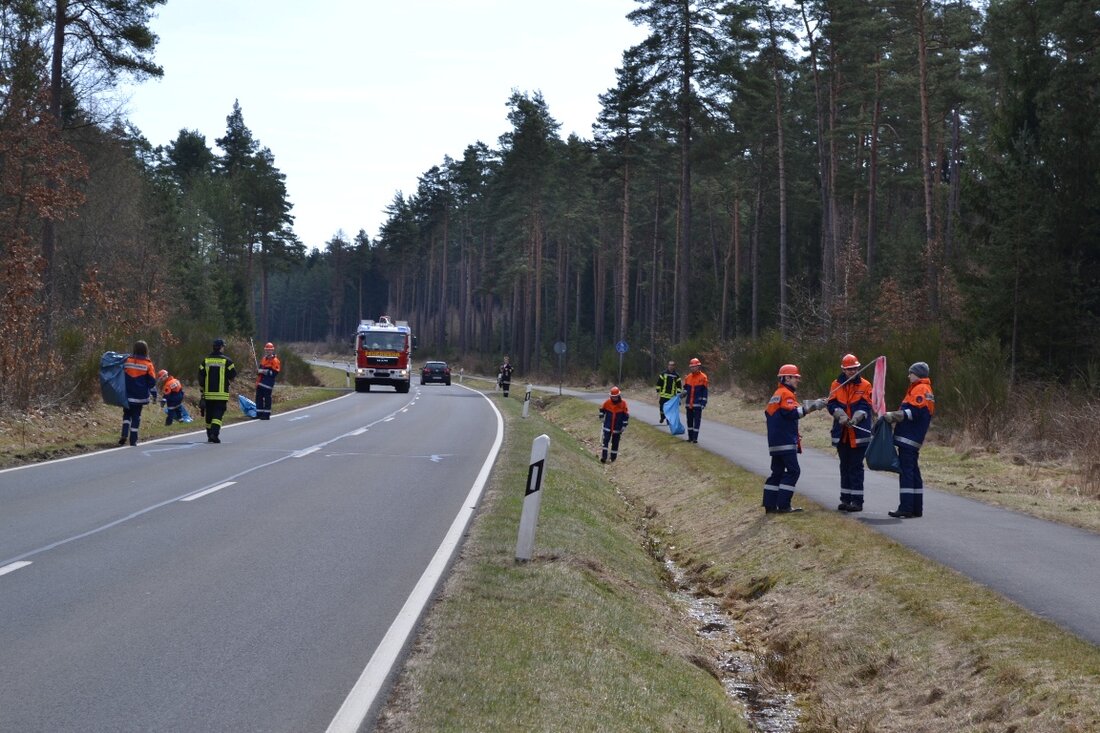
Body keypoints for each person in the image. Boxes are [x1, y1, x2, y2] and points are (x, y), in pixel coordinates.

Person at [763, 364, 827, 513]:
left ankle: (770, 505)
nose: (798, 380)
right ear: (786, 378)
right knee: (793, 471)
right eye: (795, 378)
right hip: (785, 441)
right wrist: (813, 407)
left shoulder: (777, 394)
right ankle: (784, 505)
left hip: (775, 442)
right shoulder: (786, 394)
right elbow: (791, 413)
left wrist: (815, 403)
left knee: (777, 472)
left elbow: (790, 410)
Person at [884, 361, 936, 518]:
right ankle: (916, 508)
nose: (908, 376)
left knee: (906, 472)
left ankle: (906, 507)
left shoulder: (920, 388)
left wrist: (893, 416)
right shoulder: (924, 389)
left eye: (911, 373)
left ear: (918, 374)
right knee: (913, 472)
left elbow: (914, 412)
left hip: (909, 437)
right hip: (913, 437)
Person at [828, 354, 874, 512]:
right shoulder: (836, 384)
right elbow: (831, 403)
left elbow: (866, 405)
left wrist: (855, 419)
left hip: (858, 434)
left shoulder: (866, 385)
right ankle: (845, 499)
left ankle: (857, 501)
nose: (852, 371)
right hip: (842, 433)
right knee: (844, 466)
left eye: (854, 368)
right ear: (843, 369)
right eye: (849, 369)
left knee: (856, 467)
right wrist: (840, 415)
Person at [199, 338, 237, 444]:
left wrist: (202, 391)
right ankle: (214, 434)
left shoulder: (205, 360)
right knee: (218, 415)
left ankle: (209, 434)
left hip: (208, 393)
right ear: (221, 347)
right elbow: (233, 375)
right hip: (221, 394)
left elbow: (201, 377)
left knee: (209, 414)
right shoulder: (227, 361)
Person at [119, 340, 157, 446]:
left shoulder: (127, 361)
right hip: (140, 396)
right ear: (146, 350)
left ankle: (124, 434)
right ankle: (133, 439)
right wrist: (154, 395)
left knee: (127, 414)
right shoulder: (148, 364)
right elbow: (152, 382)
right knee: (136, 416)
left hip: (127, 394)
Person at [598, 386, 630, 463]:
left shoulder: (623, 404)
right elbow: (602, 409)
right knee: (605, 441)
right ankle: (604, 457)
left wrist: (624, 426)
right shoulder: (607, 402)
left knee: (615, 443)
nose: (614, 398)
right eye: (612, 396)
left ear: (618, 396)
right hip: (608, 426)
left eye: (615, 397)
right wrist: (601, 416)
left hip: (617, 427)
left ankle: (613, 459)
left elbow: (626, 416)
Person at [681, 357, 708, 443]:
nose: (693, 368)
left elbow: (705, 391)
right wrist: (682, 394)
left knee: (696, 422)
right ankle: (690, 437)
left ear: (698, 367)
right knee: (689, 421)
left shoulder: (703, 377)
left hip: (697, 404)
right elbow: (686, 389)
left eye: (695, 366)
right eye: (692, 367)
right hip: (689, 404)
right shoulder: (688, 377)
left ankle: (695, 438)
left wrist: (703, 403)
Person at [254, 342, 281, 420]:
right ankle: (259, 413)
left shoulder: (275, 361)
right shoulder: (264, 359)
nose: (268, 351)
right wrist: (258, 373)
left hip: (268, 383)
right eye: (267, 350)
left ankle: (266, 415)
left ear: (272, 350)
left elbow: (274, 373)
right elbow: (259, 371)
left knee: (267, 398)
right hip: (260, 382)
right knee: (258, 398)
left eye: (270, 350)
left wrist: (263, 371)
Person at [655, 360, 682, 425]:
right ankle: (662, 417)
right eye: (670, 365)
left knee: (669, 409)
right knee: (662, 408)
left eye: (672, 365)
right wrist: (658, 391)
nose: (671, 366)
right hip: (663, 395)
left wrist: (678, 395)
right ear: (668, 366)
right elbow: (659, 383)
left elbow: (679, 386)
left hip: (671, 396)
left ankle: (668, 420)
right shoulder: (663, 374)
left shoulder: (676, 376)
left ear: (674, 366)